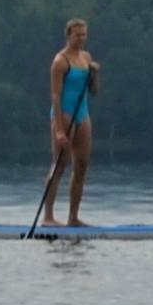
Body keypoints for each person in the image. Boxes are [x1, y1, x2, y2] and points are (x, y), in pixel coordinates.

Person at [41, 18, 101, 228]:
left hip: (82, 113)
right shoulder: (60, 61)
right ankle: (47, 217)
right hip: (64, 114)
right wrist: (59, 130)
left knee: (82, 165)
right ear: (68, 35)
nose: (81, 38)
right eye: (77, 35)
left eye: (84, 34)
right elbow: (55, 97)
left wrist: (94, 73)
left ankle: (73, 217)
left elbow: (94, 91)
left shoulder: (86, 58)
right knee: (60, 165)